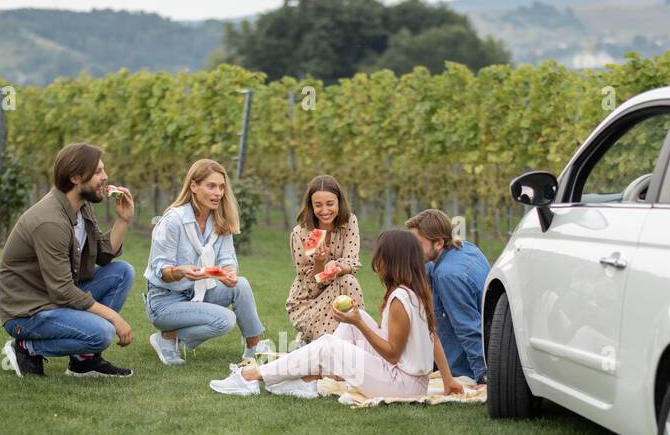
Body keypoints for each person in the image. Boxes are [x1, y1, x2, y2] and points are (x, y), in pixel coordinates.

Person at [209, 228, 464, 400]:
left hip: (403, 385)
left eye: (380, 258)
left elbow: (392, 353)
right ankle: (311, 379)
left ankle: (251, 376)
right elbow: (433, 338)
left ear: (391, 261)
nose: (377, 264)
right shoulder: (415, 291)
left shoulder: (401, 299)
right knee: (359, 318)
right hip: (409, 380)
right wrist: (448, 380)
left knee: (331, 344)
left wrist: (358, 324)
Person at [0, 142, 135, 378]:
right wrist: (114, 318)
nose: (106, 176)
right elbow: (62, 290)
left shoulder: (80, 208)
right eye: (98, 171)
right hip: (29, 311)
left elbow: (102, 256)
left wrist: (123, 220)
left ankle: (83, 361)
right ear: (75, 178)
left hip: (54, 298)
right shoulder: (51, 221)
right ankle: (25, 347)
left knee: (122, 272)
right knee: (102, 333)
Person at [143, 158, 275, 365]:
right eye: (211, 186)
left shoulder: (220, 219)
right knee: (225, 320)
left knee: (242, 284)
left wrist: (229, 273)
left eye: (221, 187)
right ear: (193, 186)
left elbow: (227, 258)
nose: (218, 193)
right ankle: (167, 338)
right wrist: (181, 271)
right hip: (165, 301)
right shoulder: (173, 221)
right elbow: (161, 270)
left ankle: (254, 348)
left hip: (198, 291)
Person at [406, 209, 491, 384]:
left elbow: (468, 328)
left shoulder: (448, 275)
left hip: (461, 367)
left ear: (438, 243)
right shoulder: (466, 248)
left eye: (417, 245)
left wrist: (483, 376)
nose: (411, 250)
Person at [285, 175, 366, 342]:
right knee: (346, 281)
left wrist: (335, 266)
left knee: (348, 280)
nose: (325, 210)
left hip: (339, 292)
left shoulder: (349, 222)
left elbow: (352, 263)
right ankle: (322, 341)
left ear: (339, 202)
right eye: (318, 205)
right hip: (306, 303)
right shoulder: (301, 233)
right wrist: (320, 263)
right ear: (311, 206)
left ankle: (357, 341)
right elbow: (311, 287)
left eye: (330, 204)